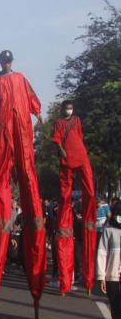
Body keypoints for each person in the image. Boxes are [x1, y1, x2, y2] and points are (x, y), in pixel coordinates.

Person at [0, 50, 46, 317]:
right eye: (4, 61)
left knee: (28, 172)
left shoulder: (20, 78)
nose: (7, 64)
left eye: (10, 60)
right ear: (0, 62)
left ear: (12, 62)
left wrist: (37, 112)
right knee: (1, 174)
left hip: (22, 126)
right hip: (4, 126)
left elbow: (31, 95)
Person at [51, 100, 97, 295]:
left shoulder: (77, 120)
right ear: (63, 109)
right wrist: (62, 151)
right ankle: (65, 282)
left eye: (70, 107)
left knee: (90, 189)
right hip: (67, 158)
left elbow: (80, 136)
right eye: (66, 107)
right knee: (65, 193)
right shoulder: (59, 122)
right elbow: (56, 140)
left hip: (80, 155)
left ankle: (85, 280)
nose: (68, 110)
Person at [96, 202, 121, 319]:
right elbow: (102, 253)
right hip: (112, 276)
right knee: (116, 308)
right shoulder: (108, 231)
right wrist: (101, 276)